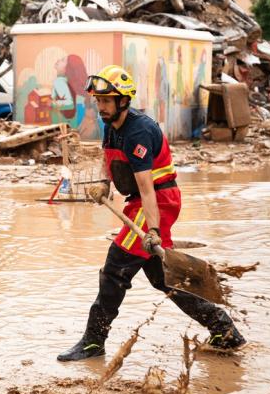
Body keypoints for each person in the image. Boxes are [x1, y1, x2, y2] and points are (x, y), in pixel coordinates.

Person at [58, 65, 245, 362]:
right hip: (142, 201)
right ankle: (224, 329)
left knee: (114, 270)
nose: (101, 106)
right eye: (98, 100)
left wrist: (153, 231)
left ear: (123, 100)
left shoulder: (139, 131)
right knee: (164, 278)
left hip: (158, 200)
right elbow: (108, 159)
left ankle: (94, 342)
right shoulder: (111, 125)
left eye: (107, 101)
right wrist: (104, 184)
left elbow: (147, 188)